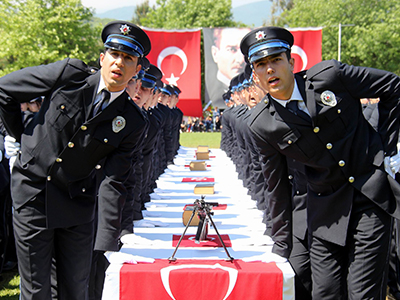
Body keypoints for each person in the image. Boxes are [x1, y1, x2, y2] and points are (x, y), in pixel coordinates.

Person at [241, 26, 400, 299]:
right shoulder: (263, 124)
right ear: (255, 75)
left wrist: (386, 149)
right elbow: (276, 186)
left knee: (362, 293)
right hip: (325, 212)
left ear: (291, 62)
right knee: (324, 293)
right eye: (261, 65)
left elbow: (392, 86)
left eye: (276, 60)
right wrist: (282, 246)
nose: (270, 70)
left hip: (370, 199)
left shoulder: (330, 78)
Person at [0, 20, 151, 299]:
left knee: (75, 289)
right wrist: (26, 139)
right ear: (102, 58)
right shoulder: (70, 75)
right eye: (114, 55)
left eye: (128, 58)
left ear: (136, 69)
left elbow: (114, 180)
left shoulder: (132, 120)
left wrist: (106, 239)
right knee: (36, 290)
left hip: (78, 203)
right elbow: (5, 90)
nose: (119, 63)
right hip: (35, 194)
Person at [205, 28, 251, 108]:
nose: (240, 60)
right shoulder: (212, 95)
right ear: (215, 53)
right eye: (232, 49)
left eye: (245, 52)